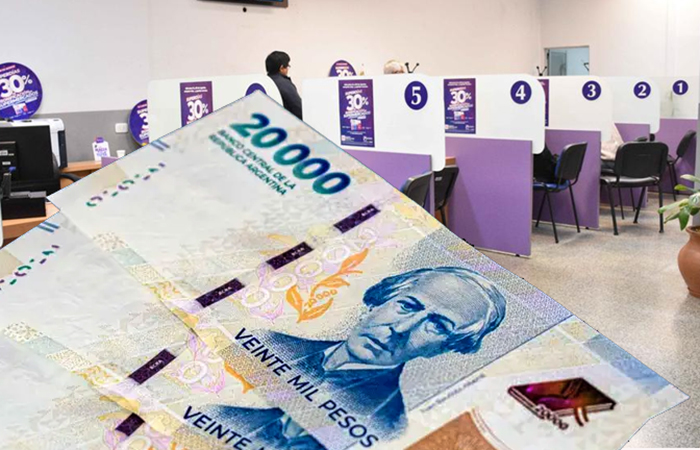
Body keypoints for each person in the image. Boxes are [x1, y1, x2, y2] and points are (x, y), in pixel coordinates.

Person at [252, 266, 507, 436]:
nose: (401, 328)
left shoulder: (387, 425)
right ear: (380, 301)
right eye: (407, 306)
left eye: (438, 325)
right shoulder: (269, 341)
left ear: (441, 349)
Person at [266, 51, 303, 120]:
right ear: (281, 68)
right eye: (287, 66)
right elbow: (299, 109)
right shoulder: (284, 84)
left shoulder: (265, 82)